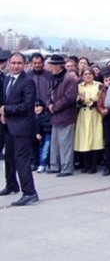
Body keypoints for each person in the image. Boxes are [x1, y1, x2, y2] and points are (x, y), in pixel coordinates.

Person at [0, 52, 39, 206]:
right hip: (9, 125)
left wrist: (6, 109)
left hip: (23, 127)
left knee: (21, 159)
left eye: (19, 63)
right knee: (8, 157)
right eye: (14, 63)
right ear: (9, 63)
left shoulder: (28, 81)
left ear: (24, 64)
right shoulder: (8, 79)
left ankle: (29, 192)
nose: (16, 66)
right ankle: (11, 185)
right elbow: (5, 100)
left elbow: (26, 105)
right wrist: (3, 113)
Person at [47, 54, 79, 177]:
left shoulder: (69, 79)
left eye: (52, 65)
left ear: (58, 65)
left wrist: (54, 107)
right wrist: (49, 104)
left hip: (66, 115)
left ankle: (66, 168)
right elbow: (48, 94)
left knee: (65, 143)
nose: (50, 67)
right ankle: (54, 166)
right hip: (55, 115)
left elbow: (69, 98)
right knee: (54, 143)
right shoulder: (53, 78)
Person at [74, 68, 104, 174]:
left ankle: (93, 165)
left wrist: (96, 102)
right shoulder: (79, 86)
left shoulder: (99, 85)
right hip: (84, 113)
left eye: (90, 74)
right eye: (85, 74)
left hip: (95, 113)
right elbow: (76, 102)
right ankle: (86, 164)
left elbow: (103, 98)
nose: (88, 76)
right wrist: (80, 100)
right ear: (82, 76)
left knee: (96, 139)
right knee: (84, 139)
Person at [34, 100, 52, 173]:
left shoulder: (47, 116)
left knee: (45, 149)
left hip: (47, 133)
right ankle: (43, 164)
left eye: (38, 107)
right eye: (35, 107)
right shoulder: (35, 117)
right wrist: (37, 133)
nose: (36, 109)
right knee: (42, 149)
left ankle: (42, 164)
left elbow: (47, 126)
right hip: (41, 135)